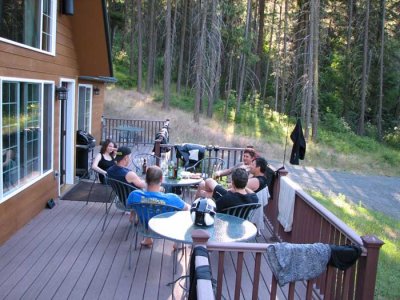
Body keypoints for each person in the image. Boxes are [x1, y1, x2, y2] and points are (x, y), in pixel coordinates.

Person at [127, 166, 190, 247]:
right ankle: (178, 243)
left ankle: (148, 238)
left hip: (145, 227)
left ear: (146, 179)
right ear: (161, 179)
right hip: (166, 229)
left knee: (143, 210)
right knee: (186, 210)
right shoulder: (172, 198)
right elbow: (187, 209)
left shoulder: (134, 194)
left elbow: (131, 212)